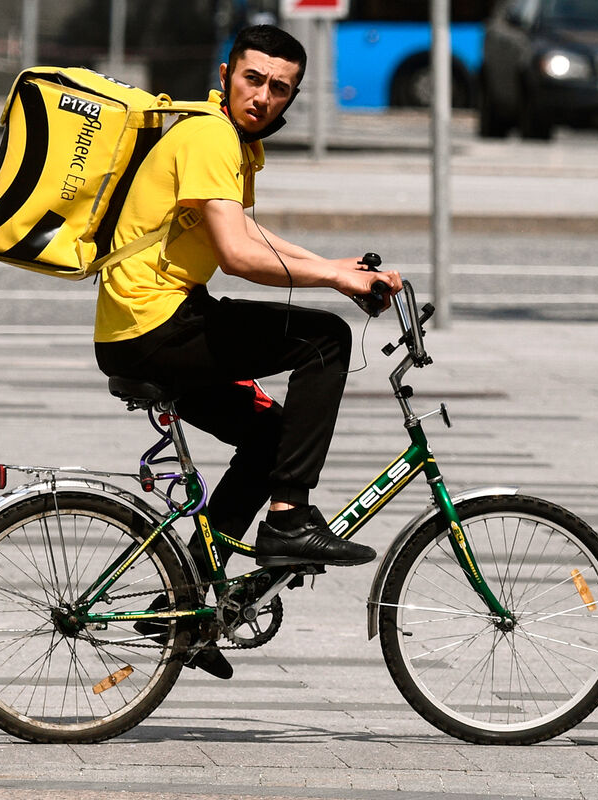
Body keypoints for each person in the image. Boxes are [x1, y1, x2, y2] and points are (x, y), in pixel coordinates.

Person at [93, 25, 403, 677]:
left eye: (279, 88)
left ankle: (178, 604)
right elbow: (237, 258)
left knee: (269, 434)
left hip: (147, 326)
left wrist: (332, 264)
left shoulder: (229, 141)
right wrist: (334, 281)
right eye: (252, 79)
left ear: (294, 97)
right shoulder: (210, 136)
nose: (262, 96)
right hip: (158, 325)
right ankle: (289, 518)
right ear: (227, 71)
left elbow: (241, 228)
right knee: (325, 340)